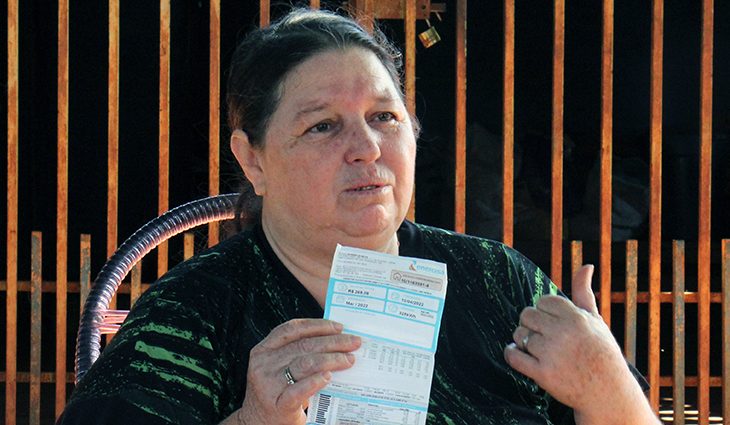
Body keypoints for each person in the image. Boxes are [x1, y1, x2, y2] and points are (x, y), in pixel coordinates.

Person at [58, 8, 659, 425]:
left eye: (384, 117)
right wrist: (253, 420)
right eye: (323, 126)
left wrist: (608, 391)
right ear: (253, 160)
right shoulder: (193, 316)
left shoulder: (497, 281)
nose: (367, 148)